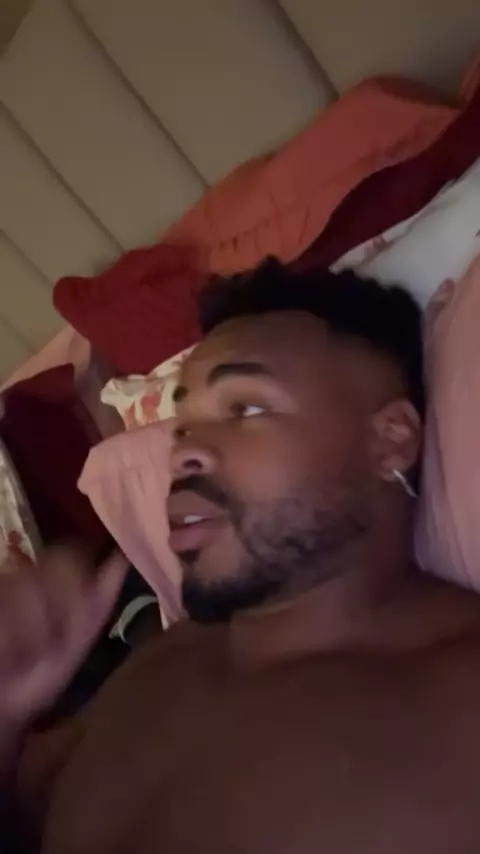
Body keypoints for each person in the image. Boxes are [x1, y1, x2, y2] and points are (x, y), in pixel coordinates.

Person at [2, 259, 480, 854]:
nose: (184, 454)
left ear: (391, 440)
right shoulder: (155, 670)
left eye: (246, 409)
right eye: (182, 426)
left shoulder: (458, 704)